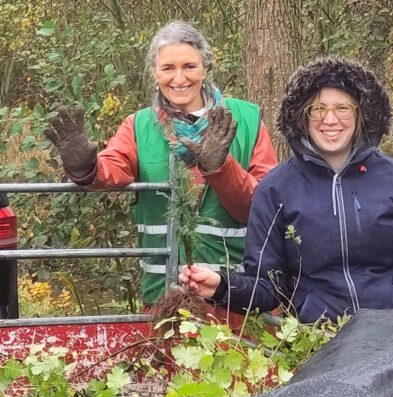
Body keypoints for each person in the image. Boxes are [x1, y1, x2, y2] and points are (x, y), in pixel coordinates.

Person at [179, 57, 393, 324]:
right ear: (303, 115)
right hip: (318, 341)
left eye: (342, 108)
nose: (330, 120)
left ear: (360, 113)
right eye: (318, 109)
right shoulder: (276, 189)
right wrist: (222, 286)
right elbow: (268, 287)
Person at [44, 21, 278, 307]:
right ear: (155, 73)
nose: (179, 78)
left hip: (234, 295)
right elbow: (112, 169)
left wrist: (221, 168)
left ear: (205, 68)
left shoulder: (247, 121)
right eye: (168, 68)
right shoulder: (140, 125)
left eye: (189, 66)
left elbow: (263, 208)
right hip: (163, 299)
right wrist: (83, 166)